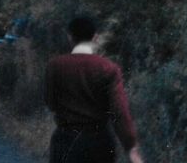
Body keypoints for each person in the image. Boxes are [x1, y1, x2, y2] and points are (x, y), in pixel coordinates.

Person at [44, 15, 144, 163]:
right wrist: (130, 147)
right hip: (99, 144)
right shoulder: (108, 68)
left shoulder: (54, 66)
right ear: (95, 37)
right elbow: (119, 112)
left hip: (65, 141)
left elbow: (50, 103)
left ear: (69, 37)